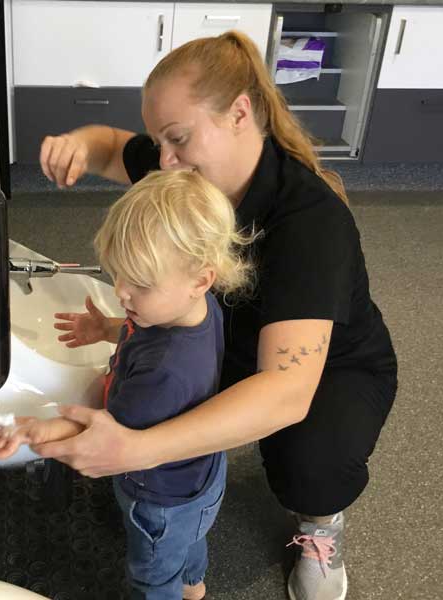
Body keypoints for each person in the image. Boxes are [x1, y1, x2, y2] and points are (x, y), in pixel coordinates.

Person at [33, 31, 397, 600]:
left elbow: (286, 391)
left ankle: (322, 524)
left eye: (177, 139)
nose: (164, 162)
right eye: (158, 142)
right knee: (164, 386)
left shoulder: (309, 224)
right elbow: (108, 145)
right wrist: (78, 143)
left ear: (239, 113)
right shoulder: (183, 176)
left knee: (304, 464)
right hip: (230, 337)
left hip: (328, 372)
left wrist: (134, 451)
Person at [0, 169, 253, 600]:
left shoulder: (165, 374)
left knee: (153, 574)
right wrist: (107, 328)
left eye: (139, 285)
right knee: (190, 542)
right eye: (119, 276)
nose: (122, 293)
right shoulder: (195, 309)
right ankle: (194, 585)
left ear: (200, 279)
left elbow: (106, 433)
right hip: (201, 477)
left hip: (159, 500)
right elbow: (140, 331)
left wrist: (37, 429)